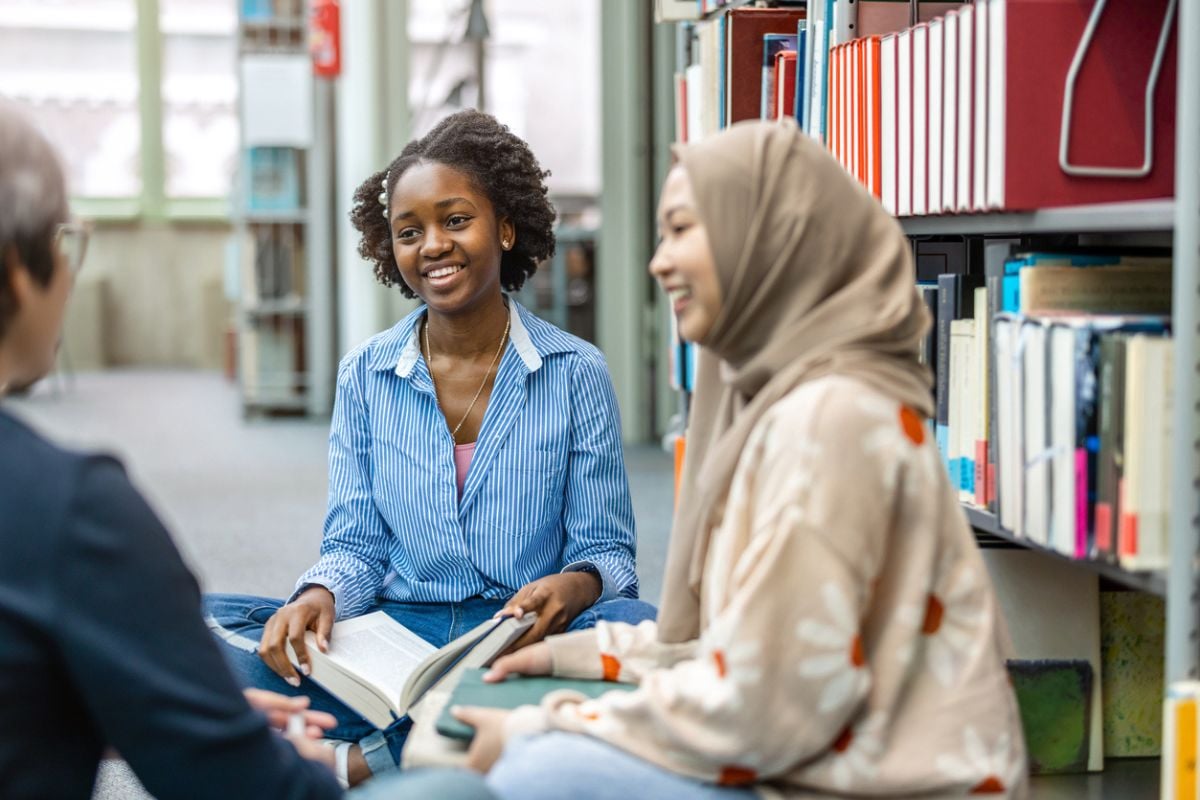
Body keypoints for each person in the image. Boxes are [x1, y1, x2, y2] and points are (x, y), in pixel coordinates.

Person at [454, 118, 1029, 798]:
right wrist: (568, 656)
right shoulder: (789, 396)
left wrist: (547, 726)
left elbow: (765, 707)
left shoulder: (830, 420)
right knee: (629, 632)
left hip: (874, 776)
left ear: (767, 237)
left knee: (538, 773)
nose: (658, 261)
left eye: (683, 229)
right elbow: (745, 642)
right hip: (820, 738)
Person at [204, 109, 655, 787]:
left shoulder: (575, 372)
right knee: (199, 629)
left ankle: (358, 759)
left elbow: (608, 555)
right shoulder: (365, 374)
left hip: (517, 638)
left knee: (640, 630)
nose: (433, 246)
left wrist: (575, 584)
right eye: (409, 232)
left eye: (455, 220)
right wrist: (321, 592)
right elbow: (355, 543)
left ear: (505, 226)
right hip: (394, 638)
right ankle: (456, 734)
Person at [0, 103, 346, 800]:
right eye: (65, 241)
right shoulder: (73, 511)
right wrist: (302, 767)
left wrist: (141, 710)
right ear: (18, 274)